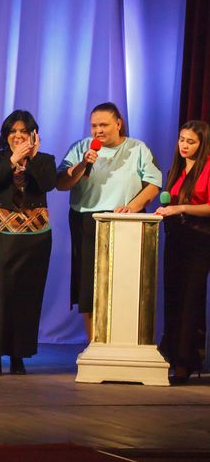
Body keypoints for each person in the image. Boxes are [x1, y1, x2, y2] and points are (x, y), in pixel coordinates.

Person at [56, 102, 161, 341]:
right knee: (89, 284)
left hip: (124, 221)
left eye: (103, 125)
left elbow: (154, 184)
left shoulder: (137, 148)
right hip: (86, 220)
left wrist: (132, 207)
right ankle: (94, 342)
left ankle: (124, 340)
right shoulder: (81, 147)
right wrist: (84, 164)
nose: (98, 130)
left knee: (123, 283)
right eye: (94, 126)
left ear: (118, 124)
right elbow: (61, 183)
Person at [0, 110, 57, 376]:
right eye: (13, 131)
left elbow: (48, 183)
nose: (18, 136)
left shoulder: (44, 160)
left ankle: (18, 355)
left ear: (34, 135)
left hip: (35, 238)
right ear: (6, 135)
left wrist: (31, 157)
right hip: (0, 234)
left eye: (24, 131)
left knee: (27, 295)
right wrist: (12, 160)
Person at [155, 120, 210, 384]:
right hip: (175, 237)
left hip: (199, 239)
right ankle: (173, 356)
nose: (184, 146)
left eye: (191, 141)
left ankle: (186, 362)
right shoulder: (176, 169)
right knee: (174, 297)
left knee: (191, 298)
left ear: (202, 144)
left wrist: (181, 208)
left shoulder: (207, 168)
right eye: (181, 140)